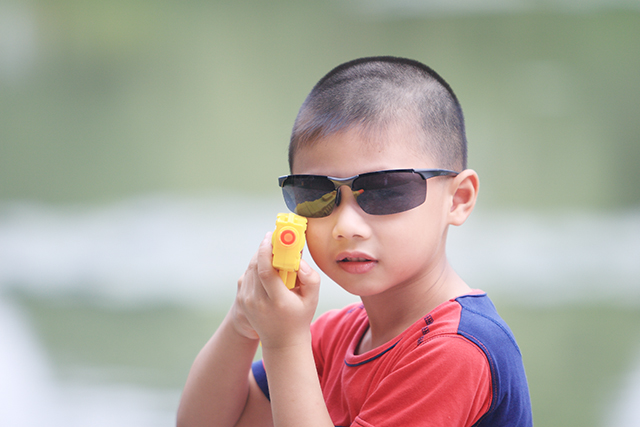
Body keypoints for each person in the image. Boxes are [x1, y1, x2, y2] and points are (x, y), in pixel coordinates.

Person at [177, 56, 533, 427]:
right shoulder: (335, 336)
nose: (346, 226)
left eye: (384, 190)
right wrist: (242, 322)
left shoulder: (457, 350)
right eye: (316, 193)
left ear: (458, 199)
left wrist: (283, 344)